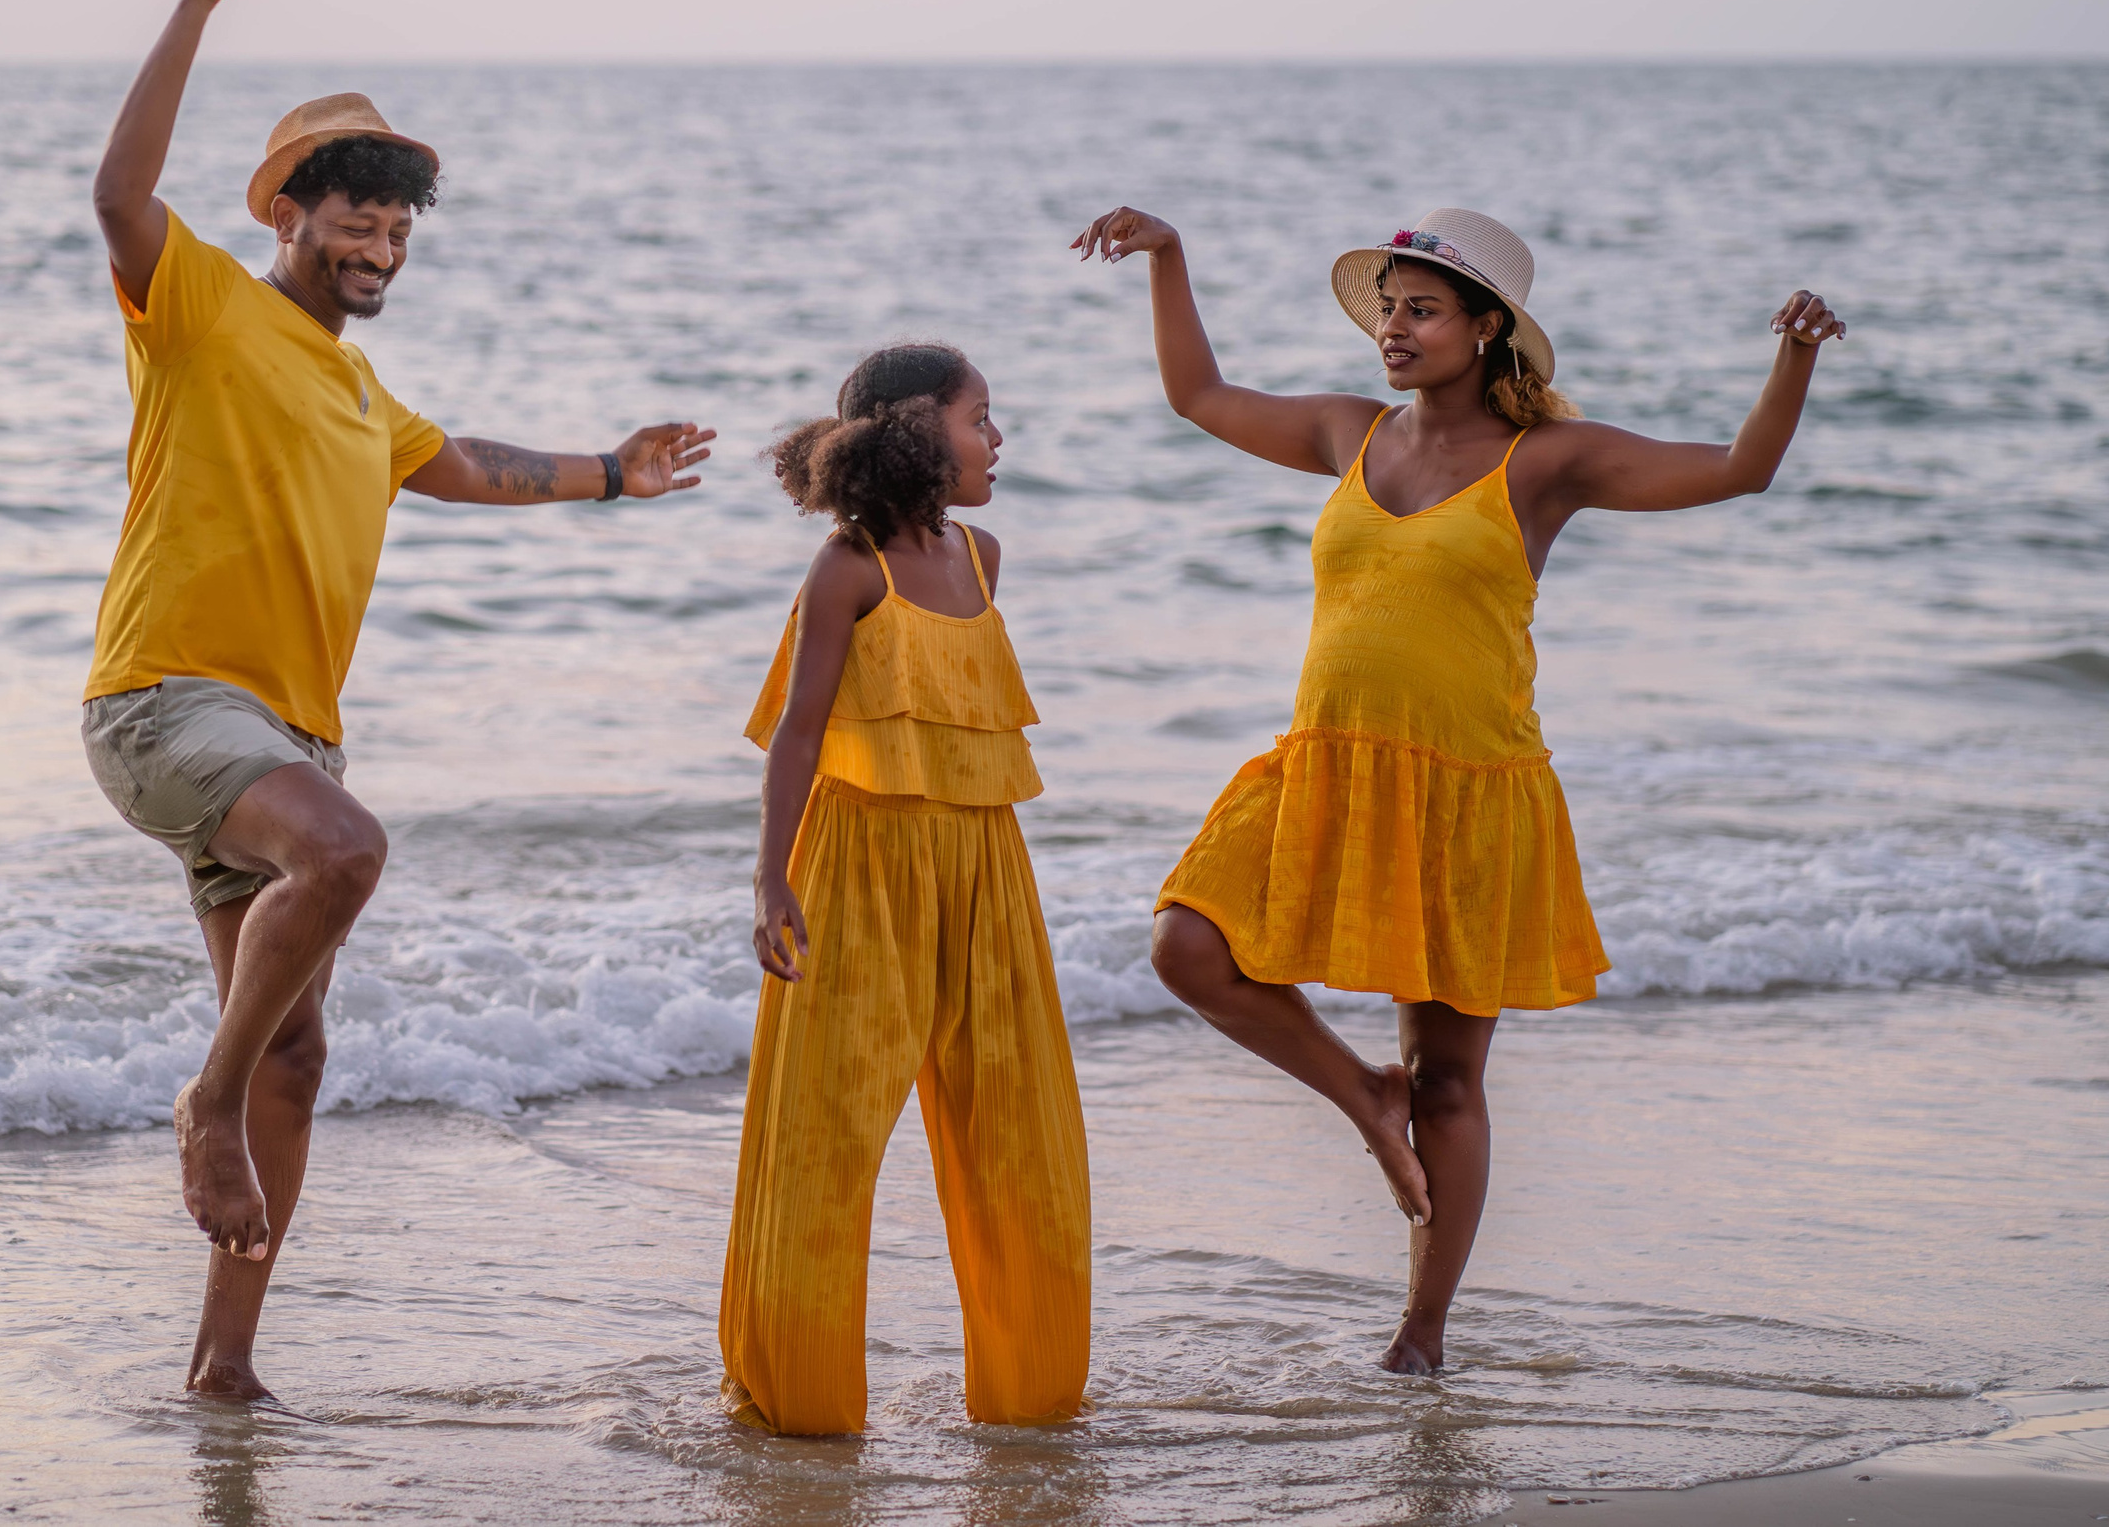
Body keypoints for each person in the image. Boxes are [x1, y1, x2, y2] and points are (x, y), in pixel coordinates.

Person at [82, 0, 715, 1401]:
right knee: (348, 856)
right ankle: (202, 1102)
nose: (378, 228)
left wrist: (612, 474)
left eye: (396, 212)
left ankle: (222, 1366)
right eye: (350, 202)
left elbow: (470, 463)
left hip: (284, 735)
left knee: (304, 1053)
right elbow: (117, 193)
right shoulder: (204, 307)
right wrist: (193, 8)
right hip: (167, 702)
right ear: (288, 214)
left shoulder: (368, 399)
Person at [1069, 203, 1845, 1374]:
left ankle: (1421, 1335)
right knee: (1187, 949)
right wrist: (1171, 258)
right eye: (1387, 306)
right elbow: (1199, 397)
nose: (1393, 326)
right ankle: (1361, 1099)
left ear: (1486, 329)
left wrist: (1791, 355)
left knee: (1451, 1077)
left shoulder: (1546, 465)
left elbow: (1740, 470)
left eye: (1420, 308)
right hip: (1327, 766)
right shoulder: (1349, 433)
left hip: (1470, 791)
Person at [721, 344, 1091, 1435]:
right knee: (823, 1137)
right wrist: (770, 882)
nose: (998, 439)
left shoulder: (982, 556)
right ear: (920, 431)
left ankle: (1029, 1404)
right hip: (854, 867)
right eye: (984, 418)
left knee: (1020, 1136)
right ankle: (802, 1408)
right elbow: (795, 737)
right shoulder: (846, 571)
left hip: (987, 871)